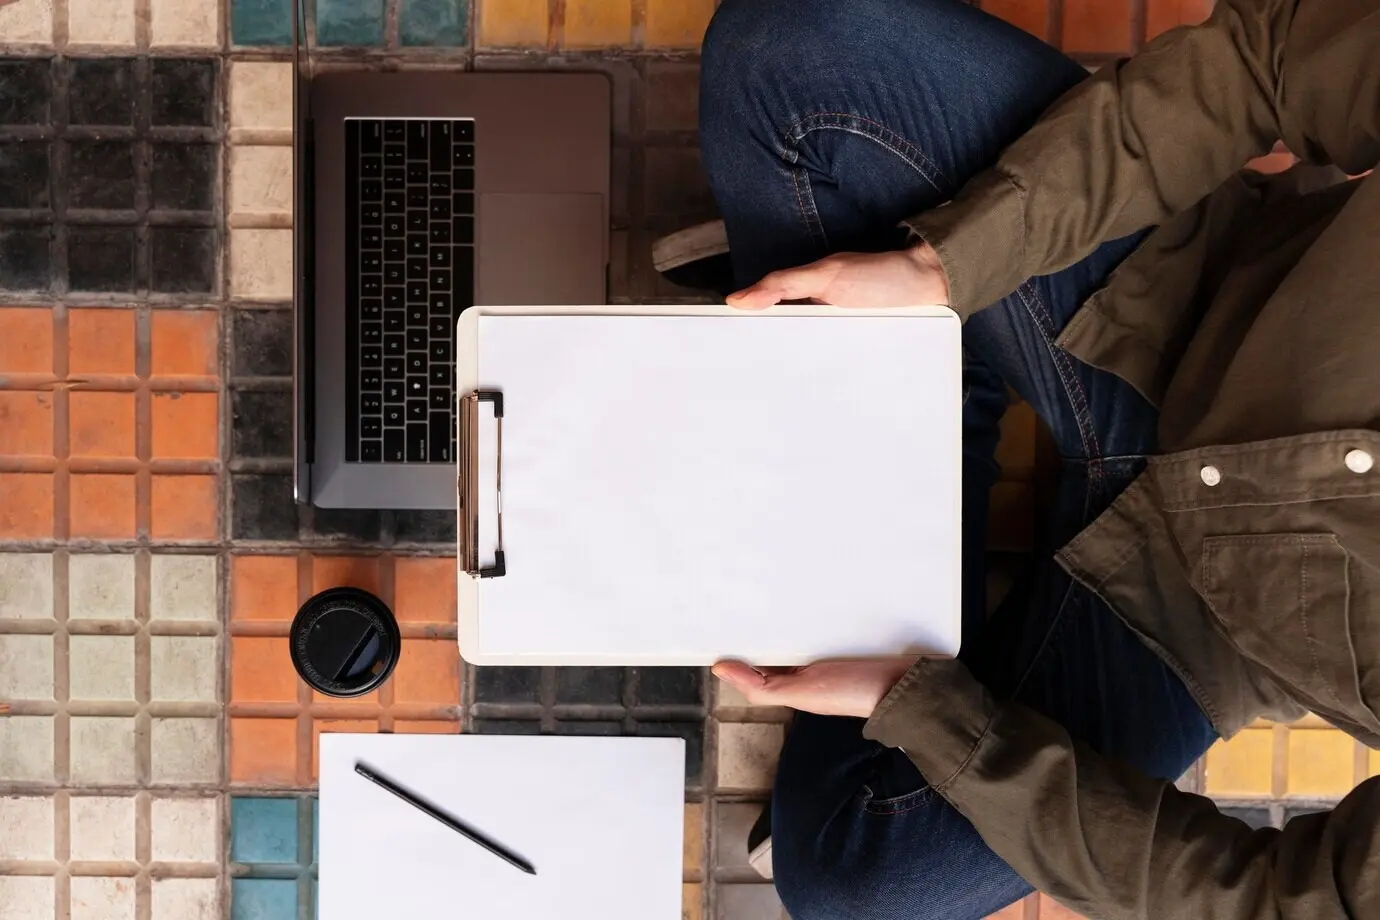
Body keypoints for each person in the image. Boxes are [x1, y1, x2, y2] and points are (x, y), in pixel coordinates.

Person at [695, 0, 1380, 918]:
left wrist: (927, 715)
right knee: (791, 50)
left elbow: (1276, 904)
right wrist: (951, 263)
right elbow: (1266, 62)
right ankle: (933, 374)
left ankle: (921, 383)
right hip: (1187, 300)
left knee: (860, 883)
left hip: (1209, 626)